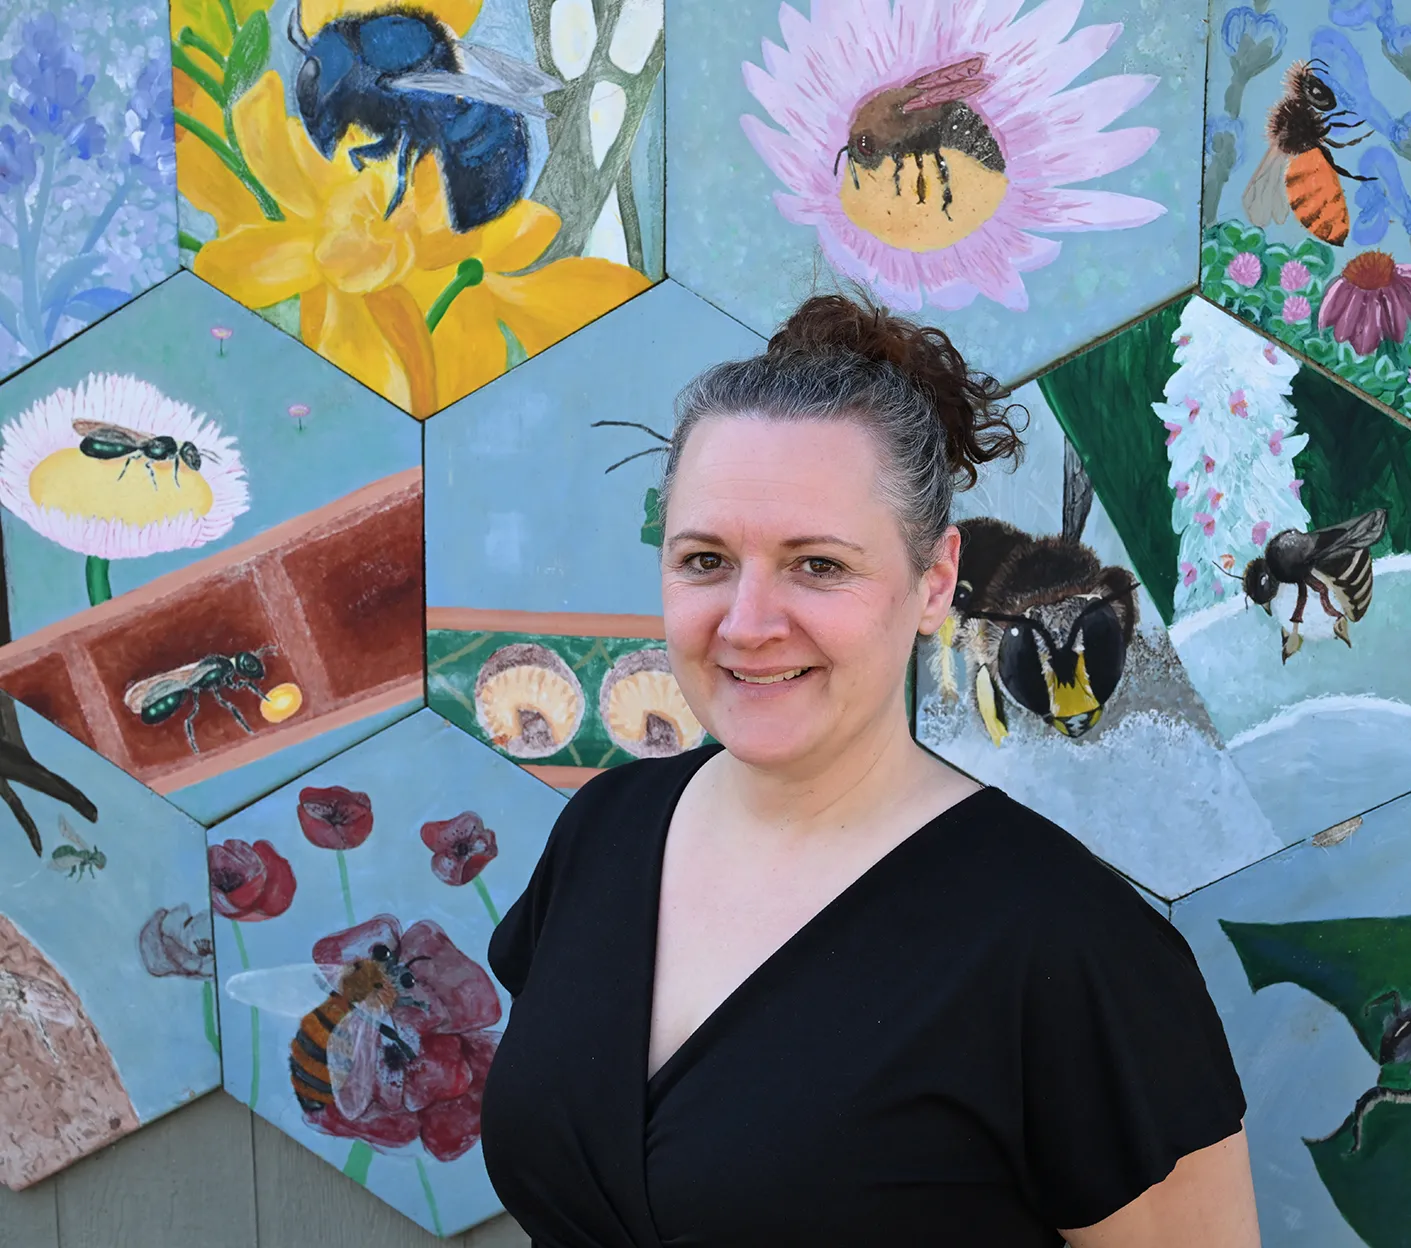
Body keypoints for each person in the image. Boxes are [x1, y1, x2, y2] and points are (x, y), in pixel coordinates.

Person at [480, 292, 1261, 1247]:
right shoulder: (605, 832)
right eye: (705, 560)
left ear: (936, 582)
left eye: (817, 565)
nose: (749, 622)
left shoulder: (1064, 948)